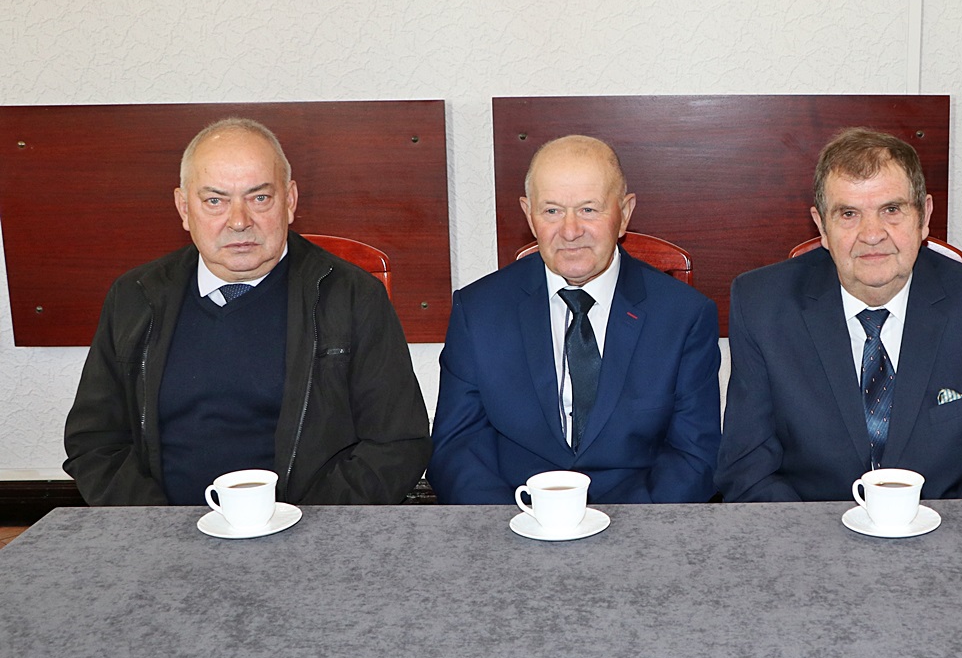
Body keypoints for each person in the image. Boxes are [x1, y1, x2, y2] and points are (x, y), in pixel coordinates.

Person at [64, 118, 431, 505]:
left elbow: (397, 444)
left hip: (310, 528)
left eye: (259, 198)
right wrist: (158, 526)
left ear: (289, 201)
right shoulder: (135, 297)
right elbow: (95, 442)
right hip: (161, 528)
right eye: (215, 201)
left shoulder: (353, 296)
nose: (239, 222)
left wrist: (306, 526)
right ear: (184, 208)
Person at [716, 128, 962, 501]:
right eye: (849, 214)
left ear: (924, 216)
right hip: (807, 529)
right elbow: (747, 472)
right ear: (822, 227)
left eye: (891, 210)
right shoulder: (762, 306)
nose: (872, 234)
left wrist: (928, 533)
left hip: (942, 529)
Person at [428, 135, 721, 504]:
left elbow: (694, 455)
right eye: (552, 211)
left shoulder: (684, 315)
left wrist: (632, 530)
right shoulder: (478, 311)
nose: (570, 231)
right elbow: (457, 447)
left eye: (588, 210)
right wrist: (508, 524)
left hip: (640, 522)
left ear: (624, 213)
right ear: (528, 215)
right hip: (513, 518)